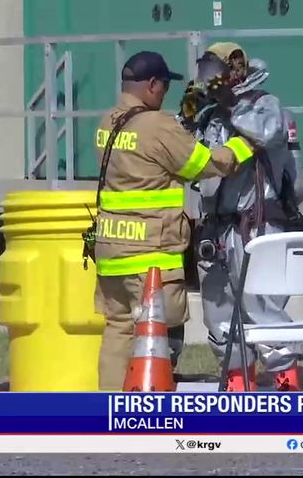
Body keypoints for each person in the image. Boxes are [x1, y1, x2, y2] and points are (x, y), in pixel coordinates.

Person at [92, 51, 252, 390]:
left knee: (119, 329)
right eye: (164, 86)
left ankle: (109, 406)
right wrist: (243, 146)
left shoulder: (108, 122)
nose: (165, 93)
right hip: (150, 254)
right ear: (152, 84)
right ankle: (151, 408)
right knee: (158, 334)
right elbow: (203, 165)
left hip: (111, 252)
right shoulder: (157, 125)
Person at [178, 42, 303, 392]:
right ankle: (237, 381)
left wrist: (231, 103)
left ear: (235, 70)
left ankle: (286, 383)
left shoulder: (266, 105)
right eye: (204, 72)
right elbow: (184, 158)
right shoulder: (210, 115)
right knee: (218, 311)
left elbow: (267, 132)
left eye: (214, 72)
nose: (208, 79)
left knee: (262, 307)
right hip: (215, 228)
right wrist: (187, 118)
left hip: (257, 224)